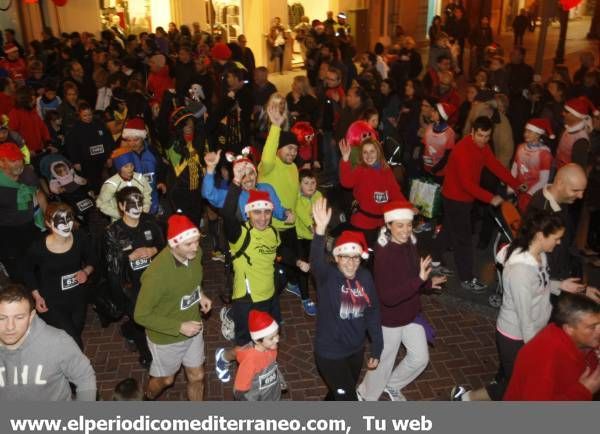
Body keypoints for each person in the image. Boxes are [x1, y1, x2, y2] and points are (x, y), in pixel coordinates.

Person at [451, 210, 591, 401]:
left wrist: (562, 285)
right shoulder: (520, 272)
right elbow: (525, 318)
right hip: (516, 336)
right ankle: (467, 398)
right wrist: (536, 349)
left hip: (533, 331)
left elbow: (541, 284)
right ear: (541, 236)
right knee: (516, 385)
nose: (559, 243)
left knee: (514, 382)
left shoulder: (540, 255)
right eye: (556, 238)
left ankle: (466, 398)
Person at [357, 201, 446, 401]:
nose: (406, 230)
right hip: (390, 318)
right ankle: (364, 395)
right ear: (388, 225)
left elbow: (413, 276)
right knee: (385, 361)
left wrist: (428, 283)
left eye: (408, 224)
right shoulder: (385, 254)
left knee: (420, 358)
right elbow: (387, 297)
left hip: (411, 313)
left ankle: (392, 385)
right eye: (400, 225)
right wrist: (419, 281)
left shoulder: (410, 244)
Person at [432, 116, 524, 292]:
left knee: (450, 230)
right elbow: (468, 185)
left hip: (462, 198)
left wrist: (515, 183)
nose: (483, 140)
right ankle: (467, 278)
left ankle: (435, 259)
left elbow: (495, 165)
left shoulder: (483, 147)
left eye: (487, 136)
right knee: (464, 240)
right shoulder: (462, 151)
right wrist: (491, 198)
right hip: (455, 199)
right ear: (472, 133)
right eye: (480, 135)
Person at [134, 213, 212, 401]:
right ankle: (146, 397)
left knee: (198, 376)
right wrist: (179, 327)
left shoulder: (195, 253)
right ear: (173, 244)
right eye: (189, 244)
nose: (195, 248)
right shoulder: (156, 276)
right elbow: (141, 315)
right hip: (166, 337)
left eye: (197, 241)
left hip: (193, 326)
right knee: (167, 380)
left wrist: (200, 294)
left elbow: (192, 279)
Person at [310, 197, 383, 400]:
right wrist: (320, 232)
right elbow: (315, 263)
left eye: (355, 257)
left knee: (340, 392)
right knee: (348, 398)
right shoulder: (328, 277)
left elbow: (373, 312)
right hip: (330, 353)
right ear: (336, 257)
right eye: (345, 257)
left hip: (355, 351)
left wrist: (377, 347)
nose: (351, 263)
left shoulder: (366, 277)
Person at [0, 283, 96, 401]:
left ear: (31, 316)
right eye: (2, 318)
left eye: (19, 317)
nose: (10, 327)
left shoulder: (57, 341)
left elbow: (84, 376)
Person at [104, 186, 164, 368]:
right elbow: (110, 268)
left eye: (140, 202)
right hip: (131, 287)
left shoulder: (150, 222)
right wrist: (126, 257)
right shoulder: (112, 232)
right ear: (121, 206)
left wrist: (152, 249)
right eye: (131, 203)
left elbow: (164, 245)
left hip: (154, 281)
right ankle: (146, 353)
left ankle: (127, 329)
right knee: (140, 320)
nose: (137, 207)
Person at [24, 203, 95, 349]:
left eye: (68, 219)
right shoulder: (38, 247)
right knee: (74, 341)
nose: (66, 224)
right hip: (52, 300)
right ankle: (80, 370)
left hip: (77, 296)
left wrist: (86, 271)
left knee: (75, 331)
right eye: (60, 221)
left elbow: (93, 259)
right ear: (49, 223)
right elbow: (27, 271)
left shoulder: (80, 237)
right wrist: (37, 297)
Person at [504, 292, 600, 400]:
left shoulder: (583, 340)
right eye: (593, 327)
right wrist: (583, 391)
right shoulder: (543, 358)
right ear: (569, 329)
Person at [339, 137, 405, 245]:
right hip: (362, 221)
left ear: (378, 152)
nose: (369, 156)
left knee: (378, 253)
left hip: (381, 222)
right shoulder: (360, 169)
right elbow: (346, 182)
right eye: (365, 152)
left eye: (372, 151)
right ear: (361, 154)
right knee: (364, 253)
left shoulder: (386, 170)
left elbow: (395, 193)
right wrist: (345, 160)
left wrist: (407, 207)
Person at [527, 163, 588, 280]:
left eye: (582, 191)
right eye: (576, 190)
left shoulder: (562, 200)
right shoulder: (544, 212)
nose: (580, 196)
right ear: (560, 183)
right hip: (552, 278)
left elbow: (568, 239)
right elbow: (545, 258)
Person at [0, 143, 46, 283]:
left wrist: (48, 217)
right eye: (13, 160)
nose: (18, 163)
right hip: (8, 233)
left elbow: (39, 194)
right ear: (1, 162)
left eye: (20, 159)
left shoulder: (28, 173)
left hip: (32, 226)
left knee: (40, 264)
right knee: (19, 272)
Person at [214, 310, 283, 400]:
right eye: (271, 338)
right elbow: (239, 391)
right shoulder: (250, 362)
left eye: (277, 334)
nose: (277, 340)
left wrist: (279, 381)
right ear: (257, 340)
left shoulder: (272, 348)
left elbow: (273, 367)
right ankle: (223, 357)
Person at [96, 147, 152, 222]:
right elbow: (101, 204)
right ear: (119, 168)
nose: (130, 169)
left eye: (131, 165)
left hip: (140, 218)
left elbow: (147, 193)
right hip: (120, 221)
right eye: (126, 166)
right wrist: (120, 214)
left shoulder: (140, 178)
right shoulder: (111, 184)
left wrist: (145, 208)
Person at [510, 119, 554, 212]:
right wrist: (511, 186)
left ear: (538, 134)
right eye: (525, 131)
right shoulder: (520, 147)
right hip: (518, 191)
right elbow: (514, 168)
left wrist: (529, 194)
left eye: (529, 131)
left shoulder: (544, 154)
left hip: (532, 196)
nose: (526, 134)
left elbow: (543, 180)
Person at [556, 96, 595, 170]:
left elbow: (578, 168)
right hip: (559, 169)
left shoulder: (581, 140)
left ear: (576, 115)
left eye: (567, 112)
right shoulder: (568, 128)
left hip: (567, 175)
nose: (563, 113)